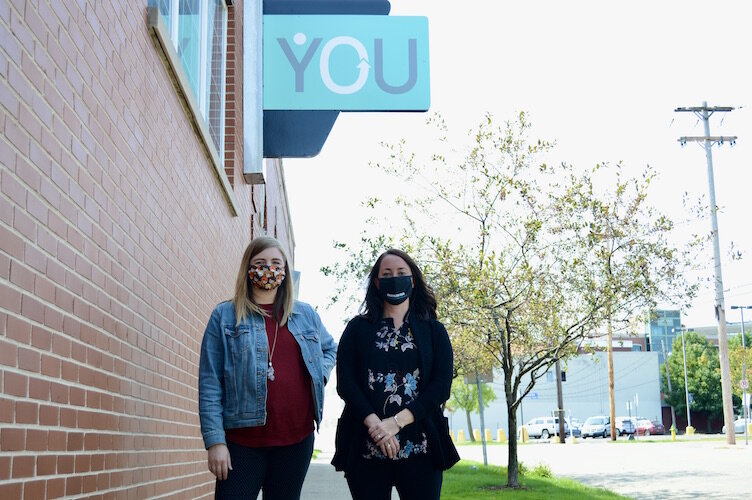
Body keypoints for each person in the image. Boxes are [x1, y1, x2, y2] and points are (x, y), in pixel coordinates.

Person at [198, 236, 337, 499]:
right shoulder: (225, 316)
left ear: (285, 271)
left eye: (276, 263)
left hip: (296, 441)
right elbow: (209, 383)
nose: (268, 269)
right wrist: (215, 441)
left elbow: (330, 348)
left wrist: (319, 373)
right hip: (242, 444)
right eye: (260, 263)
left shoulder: (305, 314)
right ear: (247, 269)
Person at [332, 249, 459, 499]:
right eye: (387, 274)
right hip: (366, 446)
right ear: (377, 282)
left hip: (421, 446)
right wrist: (378, 427)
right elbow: (346, 383)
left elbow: (441, 387)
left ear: (412, 280)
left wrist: (396, 422)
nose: (394, 278)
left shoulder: (434, 331)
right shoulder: (357, 328)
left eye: (401, 273)